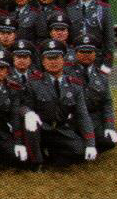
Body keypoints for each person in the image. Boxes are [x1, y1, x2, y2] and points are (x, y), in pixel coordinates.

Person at [21, 39, 97, 170]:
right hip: (41, 128)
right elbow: (23, 105)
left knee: (80, 151)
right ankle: (37, 162)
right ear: (43, 62)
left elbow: (83, 115)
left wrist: (91, 143)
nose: (53, 62)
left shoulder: (75, 85)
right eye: (49, 59)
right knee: (30, 126)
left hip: (61, 129)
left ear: (63, 60)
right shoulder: (33, 83)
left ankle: (52, 156)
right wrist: (28, 113)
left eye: (56, 58)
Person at [66, 0, 115, 75]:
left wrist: (107, 64)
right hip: (74, 61)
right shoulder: (69, 9)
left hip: (96, 59)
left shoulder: (103, 9)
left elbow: (109, 39)